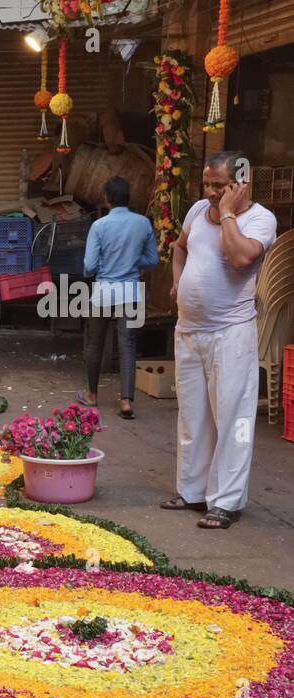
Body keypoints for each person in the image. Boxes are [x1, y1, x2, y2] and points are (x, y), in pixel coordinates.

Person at [161, 151, 277, 530]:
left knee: (233, 420)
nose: (210, 191)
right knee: (192, 417)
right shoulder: (196, 211)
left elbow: (242, 258)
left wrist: (227, 213)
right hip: (189, 331)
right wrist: (178, 281)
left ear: (241, 181)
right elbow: (180, 247)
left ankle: (226, 501)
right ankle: (192, 491)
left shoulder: (260, 219)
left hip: (231, 334)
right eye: (206, 184)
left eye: (218, 185)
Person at [78, 176, 158, 420]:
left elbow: (89, 266)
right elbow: (152, 260)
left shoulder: (99, 226)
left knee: (95, 344)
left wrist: (96, 269)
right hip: (130, 291)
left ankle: (92, 395)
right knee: (128, 345)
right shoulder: (143, 223)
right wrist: (133, 263)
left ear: (106, 198)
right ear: (128, 198)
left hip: (104, 291)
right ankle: (125, 401)